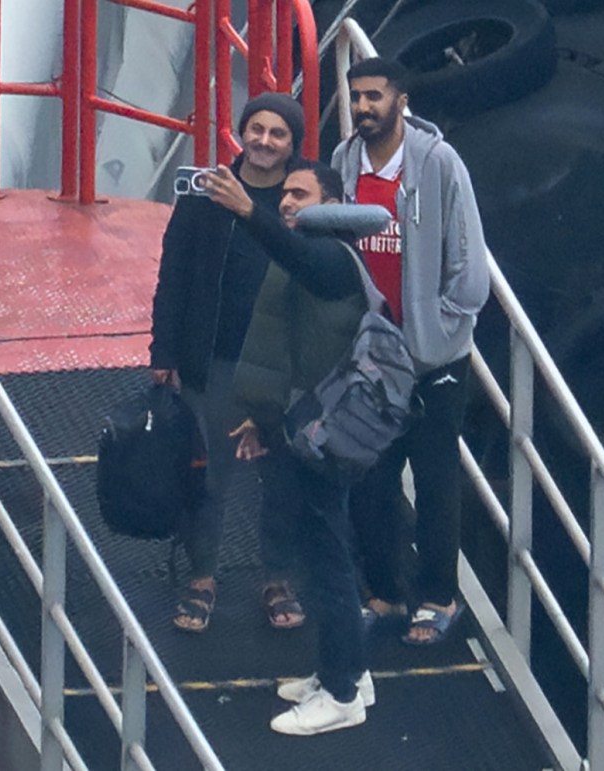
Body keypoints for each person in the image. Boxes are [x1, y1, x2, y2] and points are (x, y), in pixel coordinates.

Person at [200, 158, 380, 735]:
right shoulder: (308, 251)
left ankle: (345, 693)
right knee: (323, 551)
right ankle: (343, 669)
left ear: (331, 203)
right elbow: (280, 349)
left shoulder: (329, 256)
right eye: (283, 194)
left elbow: (302, 261)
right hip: (301, 423)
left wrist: (248, 211)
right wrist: (261, 418)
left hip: (328, 433)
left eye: (300, 194)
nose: (286, 201)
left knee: (327, 561)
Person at [331, 57, 490, 645]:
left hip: (434, 359)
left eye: (375, 96)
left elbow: (470, 264)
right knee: (370, 479)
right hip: (372, 357)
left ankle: (438, 597)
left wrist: (441, 330)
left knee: (435, 481)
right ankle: (383, 593)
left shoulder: (439, 164)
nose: (365, 107)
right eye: (357, 97)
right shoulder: (345, 163)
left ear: (401, 98)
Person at [150, 93, 307, 632]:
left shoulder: (306, 197)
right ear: (242, 133)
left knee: (280, 474)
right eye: (256, 129)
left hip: (283, 364)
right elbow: (173, 277)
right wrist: (163, 352)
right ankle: (201, 576)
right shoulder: (203, 194)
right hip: (214, 357)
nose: (264, 140)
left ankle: (278, 576)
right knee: (209, 472)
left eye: (277, 133)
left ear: (293, 143)